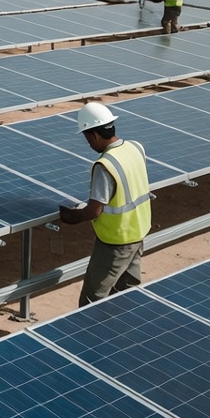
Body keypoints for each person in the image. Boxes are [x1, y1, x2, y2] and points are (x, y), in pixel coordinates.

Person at [59, 102, 151, 307]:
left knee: (93, 299)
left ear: (94, 135)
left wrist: (71, 217)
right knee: (128, 292)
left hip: (115, 242)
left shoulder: (104, 165)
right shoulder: (136, 147)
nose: (89, 144)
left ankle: (92, 338)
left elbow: (94, 210)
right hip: (138, 232)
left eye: (87, 138)